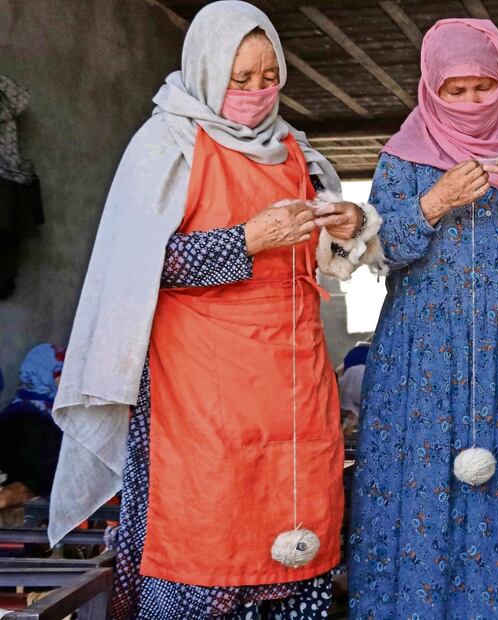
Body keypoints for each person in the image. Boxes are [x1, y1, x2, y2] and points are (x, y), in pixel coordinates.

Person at [49, 3, 382, 618]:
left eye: (269, 77)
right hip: (198, 385)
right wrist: (247, 240)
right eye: (240, 78)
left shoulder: (295, 149)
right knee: (206, 529)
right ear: (205, 70)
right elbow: (136, 268)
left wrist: (345, 223)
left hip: (292, 379)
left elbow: (330, 257)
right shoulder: (166, 144)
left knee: (292, 526)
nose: (257, 91)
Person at [348, 18, 498, 618]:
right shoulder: (402, 154)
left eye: (484, 87)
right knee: (422, 478)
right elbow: (378, 250)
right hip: (423, 347)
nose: (473, 101)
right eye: (457, 90)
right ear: (432, 88)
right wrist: (434, 202)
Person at [0, 344, 65, 509]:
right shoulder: (28, 421)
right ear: (42, 374)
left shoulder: (25, 413)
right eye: (60, 374)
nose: (69, 384)